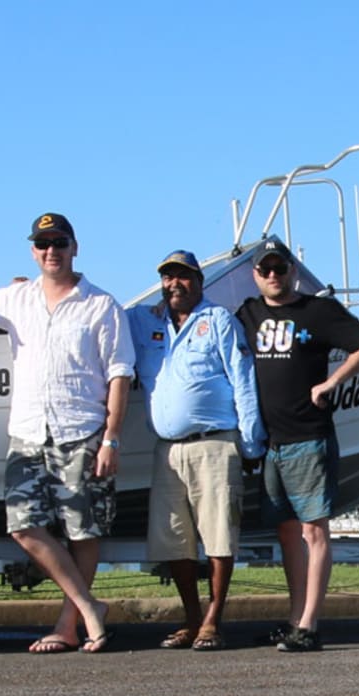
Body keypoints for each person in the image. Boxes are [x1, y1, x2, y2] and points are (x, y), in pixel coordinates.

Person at [0, 212, 133, 654]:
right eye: (43, 244)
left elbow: (120, 375)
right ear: (33, 252)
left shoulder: (101, 305)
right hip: (27, 433)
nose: (51, 251)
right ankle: (89, 606)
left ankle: (68, 625)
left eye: (59, 242)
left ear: (74, 247)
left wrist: (112, 437)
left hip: (81, 432)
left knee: (83, 531)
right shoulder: (16, 298)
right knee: (23, 527)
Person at [235, 239, 359, 652]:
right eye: (265, 270)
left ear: (293, 271)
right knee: (286, 532)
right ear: (255, 275)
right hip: (269, 445)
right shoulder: (248, 313)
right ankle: (294, 618)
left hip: (308, 438)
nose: (273, 276)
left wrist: (332, 383)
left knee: (314, 532)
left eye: (280, 268)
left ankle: (310, 624)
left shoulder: (318, 311)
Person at [128, 249, 265, 652]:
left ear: (200, 282)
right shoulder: (145, 322)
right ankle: (191, 618)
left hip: (215, 444)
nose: (175, 284)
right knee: (174, 541)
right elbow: (101, 318)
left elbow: (243, 378)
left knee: (219, 536)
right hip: (167, 451)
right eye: (168, 277)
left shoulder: (218, 320)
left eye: (183, 277)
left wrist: (252, 440)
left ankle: (212, 620)